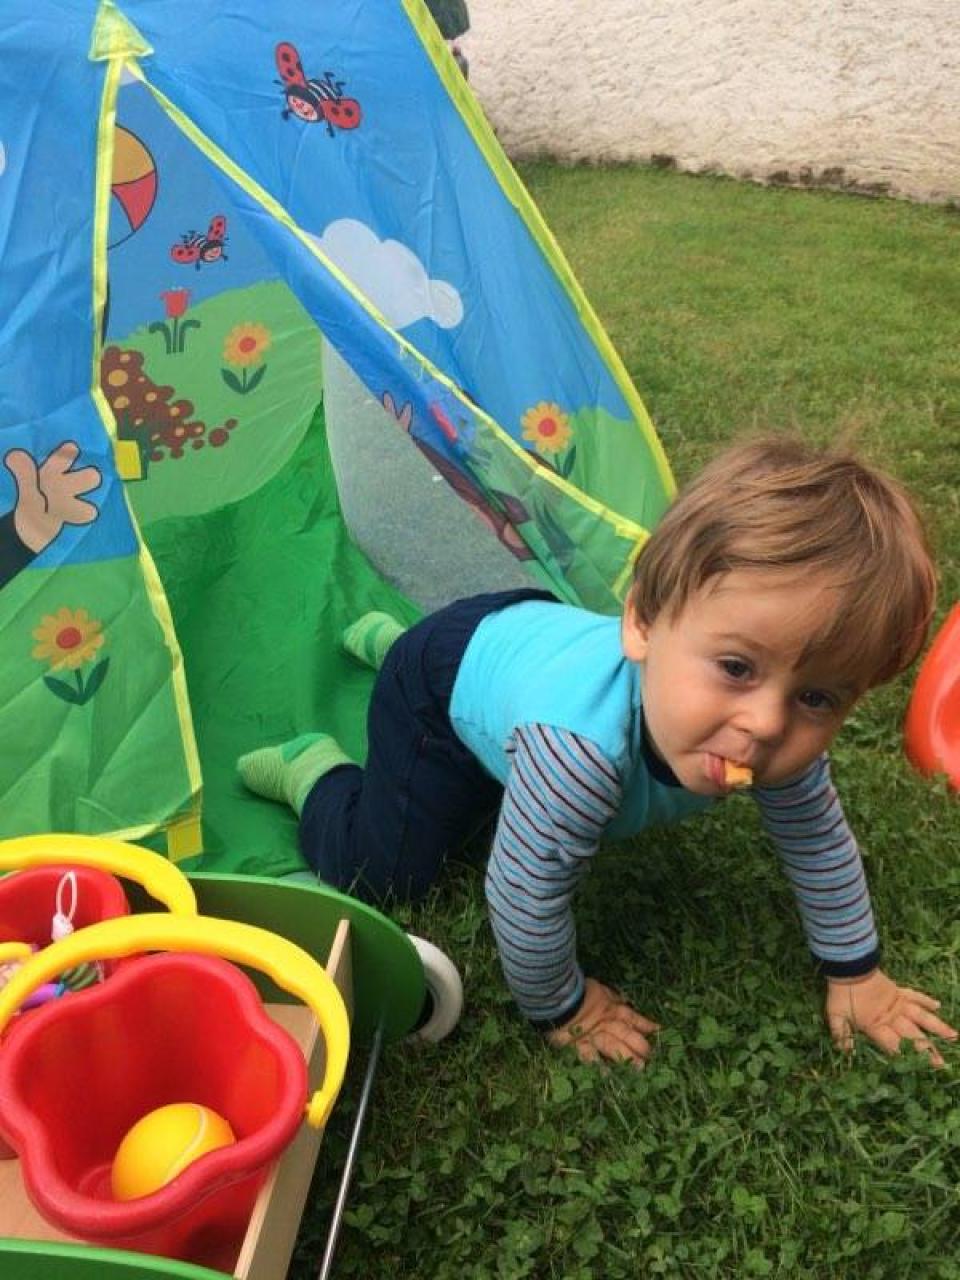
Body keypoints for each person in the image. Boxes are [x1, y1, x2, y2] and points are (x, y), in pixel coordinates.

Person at [239, 437, 958, 1066]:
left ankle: (388, 638)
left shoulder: (765, 734)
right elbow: (522, 894)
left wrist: (856, 972)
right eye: (737, 668)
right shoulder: (578, 756)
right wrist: (566, 1006)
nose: (768, 724)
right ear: (642, 623)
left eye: (818, 698)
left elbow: (818, 841)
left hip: (527, 639)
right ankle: (318, 769)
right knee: (389, 871)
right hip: (438, 691)